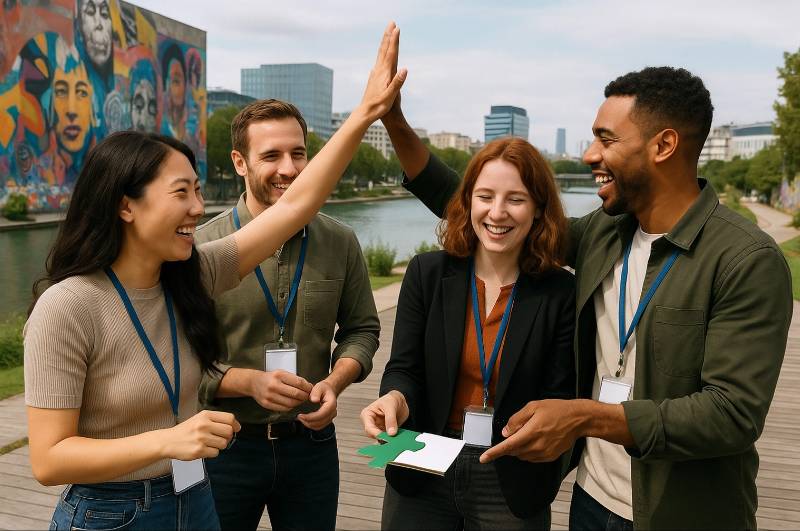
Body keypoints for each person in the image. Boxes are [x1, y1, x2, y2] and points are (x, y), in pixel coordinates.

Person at [24, 22, 405, 530]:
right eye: (181, 193)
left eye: (198, 190)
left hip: (193, 495)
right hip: (113, 512)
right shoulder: (67, 306)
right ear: (126, 206)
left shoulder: (192, 273)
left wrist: (365, 114)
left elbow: (296, 207)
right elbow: (48, 460)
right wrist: (169, 440)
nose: (198, 208)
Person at [379, 66, 793, 530]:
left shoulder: (745, 260)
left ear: (663, 146)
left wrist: (585, 417)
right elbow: (483, 209)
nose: (590, 154)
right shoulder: (604, 232)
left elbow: (732, 414)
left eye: (606, 139)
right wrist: (394, 120)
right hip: (591, 500)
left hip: (680, 513)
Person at [360, 137, 576, 530]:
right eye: (485, 196)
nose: (497, 212)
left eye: (515, 199)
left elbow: (559, 394)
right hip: (422, 458)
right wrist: (394, 397)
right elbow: (404, 368)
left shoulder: (559, 291)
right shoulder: (426, 274)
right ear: (468, 201)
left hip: (510, 470)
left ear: (538, 209)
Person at [195, 98, 380, 530]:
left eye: (298, 153)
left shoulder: (340, 241)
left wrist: (335, 383)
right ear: (239, 162)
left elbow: (362, 330)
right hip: (224, 444)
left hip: (311, 445)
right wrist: (246, 382)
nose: (289, 168)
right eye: (271, 156)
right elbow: (176, 357)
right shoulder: (201, 250)